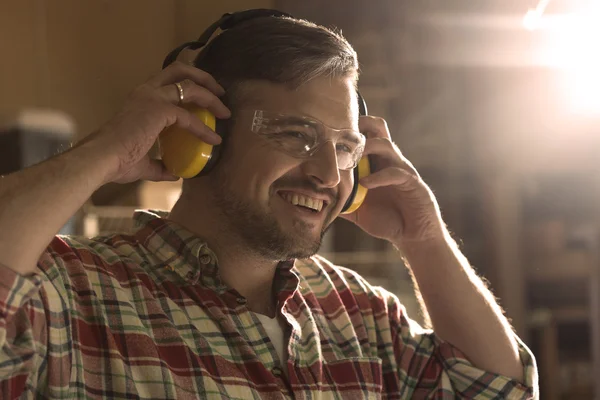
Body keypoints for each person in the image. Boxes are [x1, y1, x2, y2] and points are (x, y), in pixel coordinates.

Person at [0, 10, 538, 399]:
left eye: (345, 147)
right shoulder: (74, 293)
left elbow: (500, 392)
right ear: (201, 135)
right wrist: (107, 152)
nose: (329, 173)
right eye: (294, 134)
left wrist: (425, 239)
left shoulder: (360, 315)